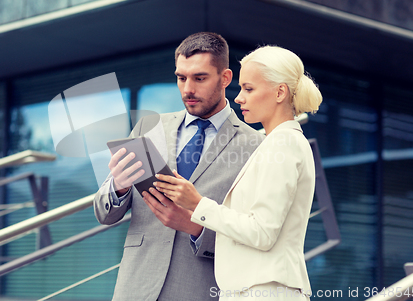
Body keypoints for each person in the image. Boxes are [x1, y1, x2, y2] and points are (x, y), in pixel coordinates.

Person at [93, 32, 264, 300]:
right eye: (181, 78)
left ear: (226, 78)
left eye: (200, 78)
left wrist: (196, 227)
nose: (187, 90)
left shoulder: (256, 147)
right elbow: (105, 214)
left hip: (199, 289)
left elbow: (256, 237)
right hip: (135, 287)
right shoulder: (148, 128)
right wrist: (119, 186)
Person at [152, 45, 323, 300]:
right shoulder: (276, 142)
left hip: (265, 290)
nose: (239, 98)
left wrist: (197, 204)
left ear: (280, 92)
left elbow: (262, 232)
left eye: (249, 89)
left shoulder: (283, 143)